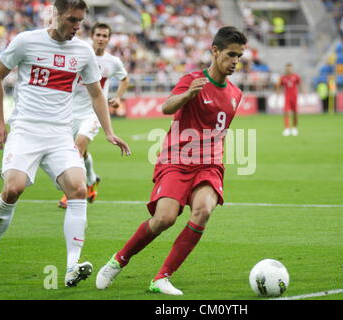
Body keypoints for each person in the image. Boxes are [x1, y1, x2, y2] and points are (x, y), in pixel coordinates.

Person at [0, 0, 130, 288]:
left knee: (78, 188)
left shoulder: (82, 51)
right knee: (13, 188)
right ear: (56, 15)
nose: (76, 26)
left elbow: (97, 94)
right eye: (72, 20)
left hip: (60, 134)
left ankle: (72, 266)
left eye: (80, 21)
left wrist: (109, 132)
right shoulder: (26, 41)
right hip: (25, 129)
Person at [96, 26, 247, 295]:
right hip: (177, 159)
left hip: (209, 164)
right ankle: (119, 259)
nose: (235, 61)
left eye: (239, 56)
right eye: (231, 54)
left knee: (203, 211)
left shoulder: (236, 94)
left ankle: (161, 277)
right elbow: (166, 107)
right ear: (215, 51)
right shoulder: (191, 79)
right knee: (164, 219)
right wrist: (188, 94)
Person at [58, 22, 130, 209]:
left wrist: (118, 97)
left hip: (94, 113)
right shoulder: (80, 55)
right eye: (98, 35)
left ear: (108, 39)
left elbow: (125, 79)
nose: (101, 39)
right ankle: (91, 180)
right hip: (70, 112)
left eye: (105, 36)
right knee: (79, 151)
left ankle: (72, 192)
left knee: (77, 148)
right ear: (92, 36)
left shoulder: (112, 62)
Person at [276, 63, 301, 136]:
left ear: (292, 69)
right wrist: (278, 91)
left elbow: (300, 84)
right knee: (286, 112)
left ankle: (294, 128)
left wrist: (303, 92)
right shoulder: (283, 77)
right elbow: (279, 86)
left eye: (290, 68)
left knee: (295, 113)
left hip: (294, 97)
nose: (289, 69)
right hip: (287, 97)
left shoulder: (296, 76)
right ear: (285, 69)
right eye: (287, 68)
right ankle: (287, 128)